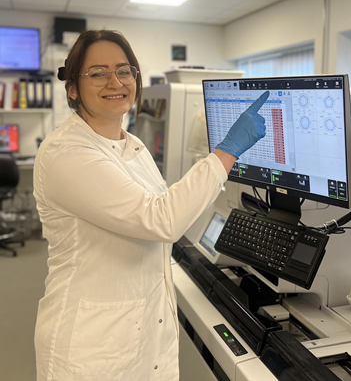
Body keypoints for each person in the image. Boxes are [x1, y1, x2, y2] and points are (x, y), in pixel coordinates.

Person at [33, 29, 269, 381]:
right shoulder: (67, 153)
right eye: (97, 73)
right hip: (91, 348)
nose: (115, 81)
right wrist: (228, 149)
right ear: (72, 89)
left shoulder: (132, 145)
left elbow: (158, 205)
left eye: (124, 70)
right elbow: (161, 219)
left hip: (141, 336)